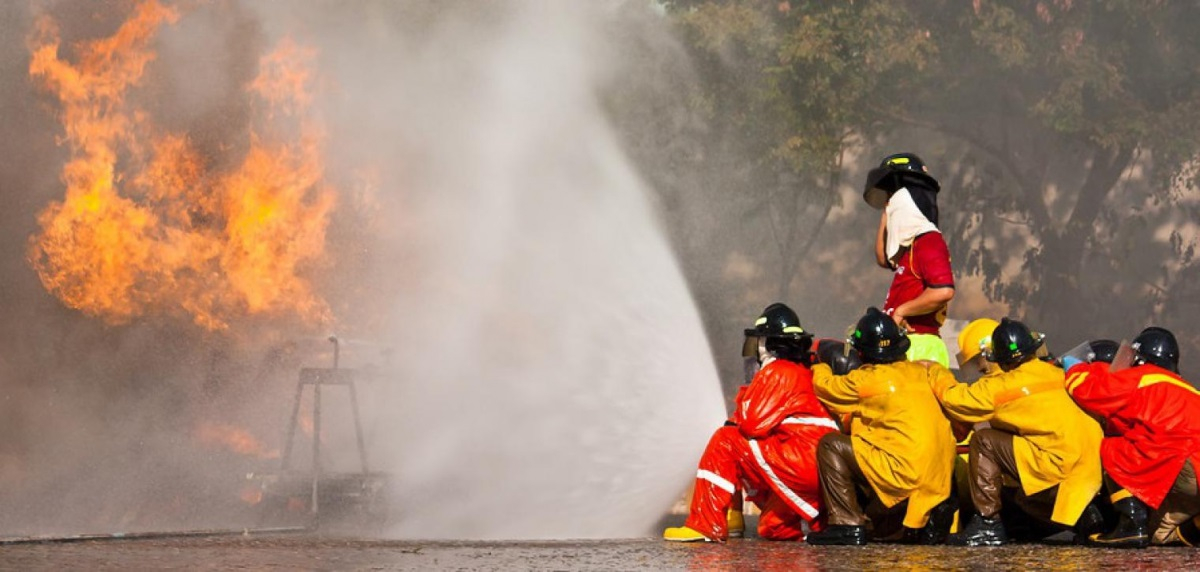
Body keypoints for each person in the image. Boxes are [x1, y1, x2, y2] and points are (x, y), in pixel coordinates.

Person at [663, 303, 838, 542]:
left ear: (767, 343)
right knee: (773, 529)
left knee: (725, 440)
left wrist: (744, 400)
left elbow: (751, 424)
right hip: (814, 469)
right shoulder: (800, 371)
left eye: (758, 341)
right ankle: (799, 530)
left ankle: (705, 525)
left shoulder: (777, 371)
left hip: (798, 461)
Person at [930, 319, 1104, 546]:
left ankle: (987, 524)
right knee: (1023, 494)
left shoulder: (1002, 386)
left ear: (996, 357)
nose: (982, 369)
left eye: (982, 363)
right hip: (1091, 473)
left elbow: (953, 399)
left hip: (1058, 469)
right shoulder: (1057, 372)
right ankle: (1084, 515)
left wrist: (934, 372)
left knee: (984, 442)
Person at [805, 307, 957, 545]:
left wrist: (819, 362)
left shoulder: (866, 381)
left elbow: (826, 388)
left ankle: (846, 525)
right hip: (938, 482)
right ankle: (916, 519)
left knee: (831, 445)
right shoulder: (925, 371)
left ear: (862, 352)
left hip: (905, 477)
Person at [1065, 326, 1200, 547]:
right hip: (1193, 471)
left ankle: (1130, 525)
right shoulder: (1187, 388)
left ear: (1139, 359)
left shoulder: (1143, 377)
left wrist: (1076, 368)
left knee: (1113, 448)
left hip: (1184, 466)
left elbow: (1090, 390)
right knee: (1161, 530)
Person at [864, 153, 955, 367]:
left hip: (920, 348)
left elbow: (943, 291)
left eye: (893, 199)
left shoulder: (928, 240)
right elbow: (883, 258)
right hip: (906, 344)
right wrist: (886, 214)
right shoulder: (909, 248)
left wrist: (902, 311)